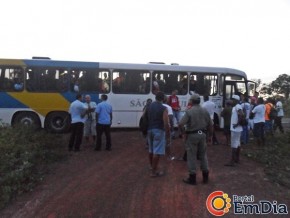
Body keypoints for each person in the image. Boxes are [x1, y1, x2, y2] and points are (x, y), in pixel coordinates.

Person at [178, 94, 213, 185]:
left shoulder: (189, 111)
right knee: (203, 155)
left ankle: (192, 178)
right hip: (203, 135)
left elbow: (181, 124)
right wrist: (210, 136)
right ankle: (205, 177)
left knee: (191, 156)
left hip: (192, 135)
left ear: (192, 101)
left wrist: (183, 133)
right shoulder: (205, 111)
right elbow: (210, 125)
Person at [147, 91, 170, 177]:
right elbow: (166, 123)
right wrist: (167, 133)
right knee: (157, 151)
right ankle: (153, 171)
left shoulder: (149, 106)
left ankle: (151, 166)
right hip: (159, 130)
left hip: (150, 129)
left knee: (151, 150)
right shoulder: (163, 108)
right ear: (163, 99)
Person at [224, 95, 243, 167]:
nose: (231, 101)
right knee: (237, 144)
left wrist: (237, 124)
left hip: (235, 129)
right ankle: (237, 159)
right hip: (237, 129)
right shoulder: (236, 107)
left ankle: (232, 161)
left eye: (232, 100)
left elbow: (241, 114)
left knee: (234, 145)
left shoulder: (238, 106)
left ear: (235, 100)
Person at [162, 95, 175, 160]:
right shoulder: (168, 107)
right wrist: (172, 128)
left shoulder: (159, 106)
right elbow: (170, 118)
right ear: (166, 100)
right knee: (168, 141)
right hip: (166, 126)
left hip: (159, 127)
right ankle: (169, 156)